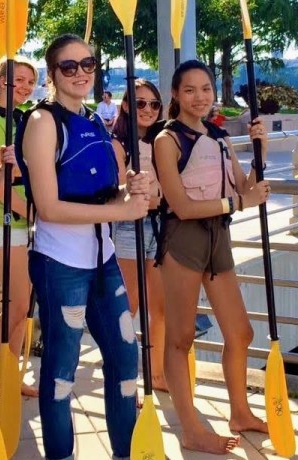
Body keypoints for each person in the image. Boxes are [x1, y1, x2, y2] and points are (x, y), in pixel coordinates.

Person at [17, 34, 149, 460]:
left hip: (103, 259)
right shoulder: (41, 122)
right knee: (60, 368)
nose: (80, 72)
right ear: (53, 74)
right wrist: (121, 209)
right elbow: (49, 206)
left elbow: (107, 194)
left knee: (125, 358)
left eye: (87, 63)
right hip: (60, 263)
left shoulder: (94, 121)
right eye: (69, 66)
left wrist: (133, 192)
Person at [153, 60, 271, 454]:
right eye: (190, 90)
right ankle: (191, 428)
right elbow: (182, 207)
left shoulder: (218, 137)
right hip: (183, 239)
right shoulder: (166, 141)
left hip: (218, 238)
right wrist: (240, 200)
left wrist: (260, 151)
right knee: (181, 338)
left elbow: (245, 186)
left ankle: (240, 412)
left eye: (205, 89)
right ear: (175, 94)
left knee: (241, 332)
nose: (200, 97)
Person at [0, 57, 39, 397]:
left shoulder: (26, 119)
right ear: (2, 79)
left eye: (30, 81)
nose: (25, 87)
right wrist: (31, 213)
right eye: (19, 79)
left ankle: (11, 374)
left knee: (23, 305)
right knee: (14, 306)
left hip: (27, 216)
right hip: (4, 219)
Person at [110, 79, 167, 391]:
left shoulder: (163, 140)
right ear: (126, 105)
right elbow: (121, 192)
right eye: (140, 103)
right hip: (130, 227)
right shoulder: (118, 144)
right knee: (127, 306)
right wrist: (157, 198)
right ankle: (123, 376)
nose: (147, 109)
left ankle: (156, 375)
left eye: (154, 104)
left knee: (160, 307)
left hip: (160, 227)